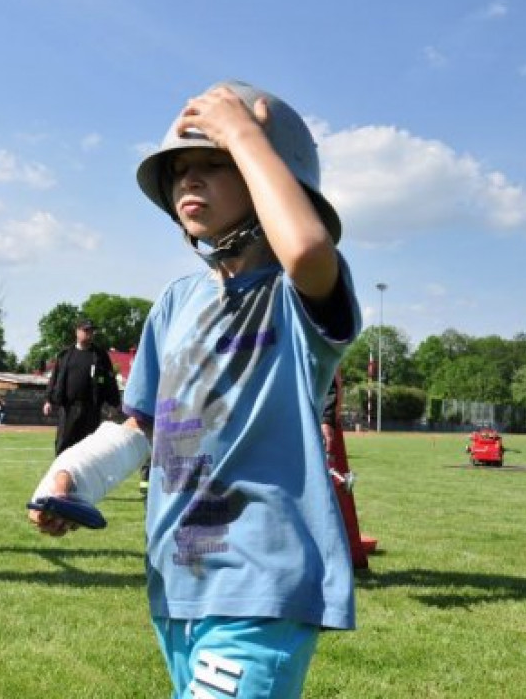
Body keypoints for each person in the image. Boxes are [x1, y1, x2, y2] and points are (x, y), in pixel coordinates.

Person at [29, 81, 360, 698]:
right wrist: (74, 475)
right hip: (178, 580)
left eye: (214, 165)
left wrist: (245, 135)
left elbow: (309, 248)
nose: (189, 180)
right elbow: (143, 429)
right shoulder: (175, 304)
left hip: (261, 579)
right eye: (180, 169)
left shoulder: (294, 298)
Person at [42, 318, 121, 455]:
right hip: (68, 408)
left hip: (91, 409)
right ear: (77, 332)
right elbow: (54, 379)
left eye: (91, 331)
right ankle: (62, 474)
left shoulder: (100, 355)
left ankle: (85, 476)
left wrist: (114, 404)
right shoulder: (65, 355)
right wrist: (48, 400)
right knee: (63, 445)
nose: (89, 334)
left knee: (89, 448)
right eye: (86, 330)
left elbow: (110, 380)